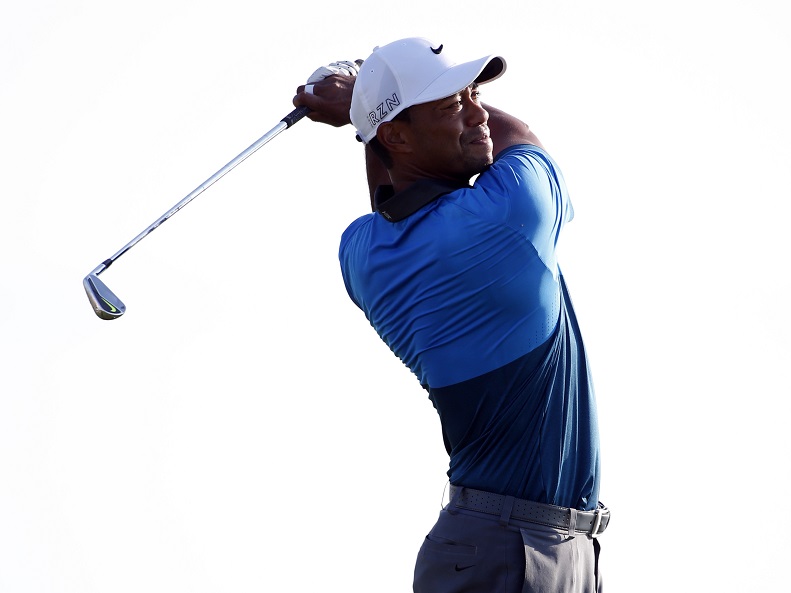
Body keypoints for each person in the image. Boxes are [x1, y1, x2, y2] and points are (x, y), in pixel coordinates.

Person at [293, 37, 609, 593]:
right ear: (396, 134)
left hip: (527, 544)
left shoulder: (361, 254)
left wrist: (371, 110)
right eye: (451, 105)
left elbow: (392, 189)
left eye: (474, 94)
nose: (478, 113)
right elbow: (520, 139)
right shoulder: (508, 212)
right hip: (505, 549)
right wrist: (360, 102)